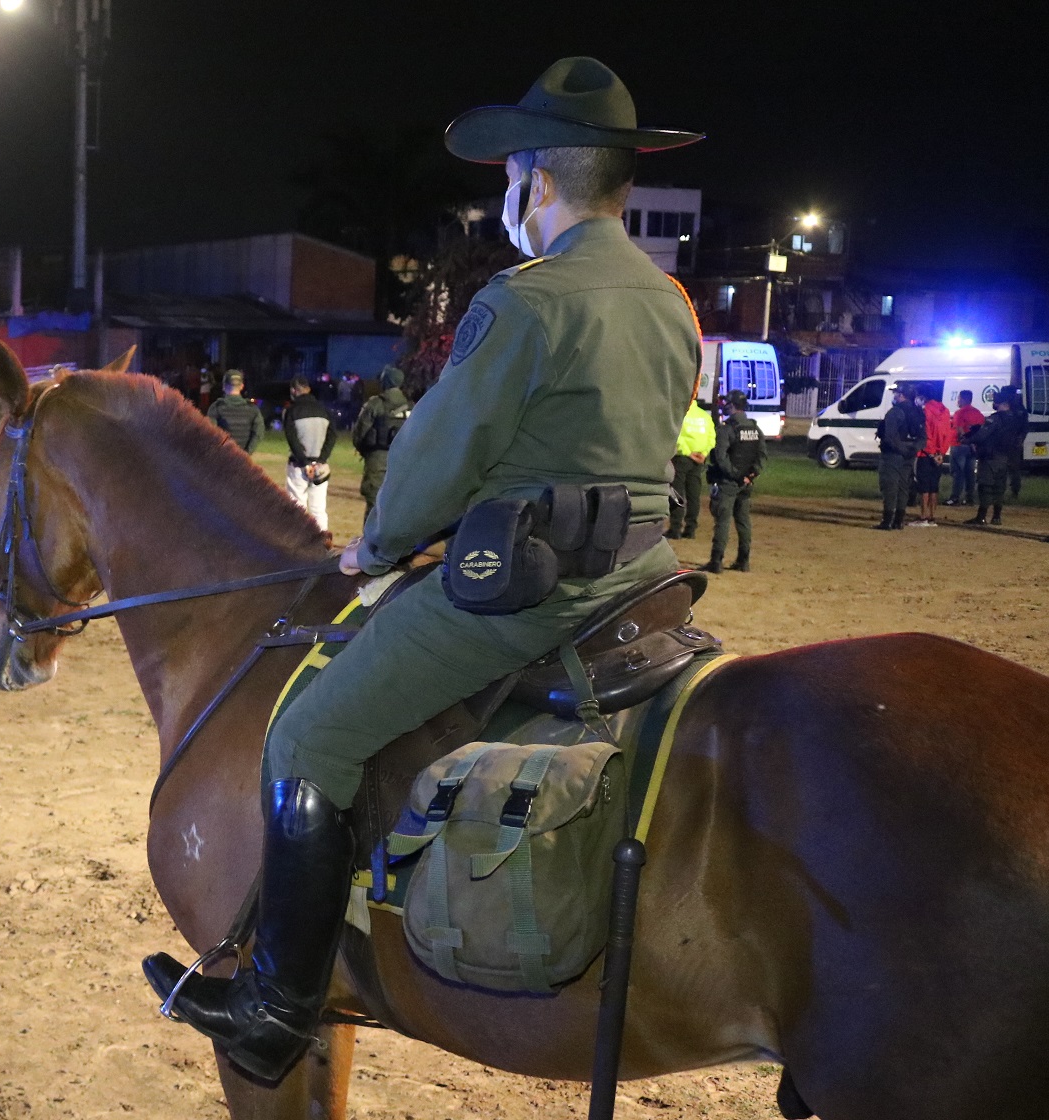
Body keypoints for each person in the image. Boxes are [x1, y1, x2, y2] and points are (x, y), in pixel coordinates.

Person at [142, 58, 704, 1084]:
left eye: (511, 179)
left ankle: (275, 1004)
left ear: (536, 181)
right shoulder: (670, 300)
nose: (510, 196)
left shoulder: (527, 300)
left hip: (531, 591)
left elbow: (445, 449)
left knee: (308, 733)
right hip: (644, 576)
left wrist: (384, 540)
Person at [702, 390, 764, 573]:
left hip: (728, 482)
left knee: (723, 521)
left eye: (726, 403)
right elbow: (761, 456)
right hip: (746, 483)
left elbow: (721, 458)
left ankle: (716, 561)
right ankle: (743, 561)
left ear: (732, 405)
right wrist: (750, 476)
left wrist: (736, 475)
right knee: (743, 521)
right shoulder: (755, 429)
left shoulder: (727, 429)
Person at [350, 367, 410, 515]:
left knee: (374, 509)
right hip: (404, 462)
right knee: (398, 507)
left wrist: (366, 452)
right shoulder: (412, 406)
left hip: (377, 460)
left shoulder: (375, 404)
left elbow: (359, 434)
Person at [280, 376, 336, 533]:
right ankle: (323, 542)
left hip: (299, 465)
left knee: (297, 506)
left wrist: (305, 462)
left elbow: (292, 440)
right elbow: (332, 436)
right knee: (318, 509)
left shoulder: (291, 411)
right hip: (320, 466)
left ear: (293, 390)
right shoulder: (324, 410)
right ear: (309, 389)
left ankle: (299, 542)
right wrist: (322, 460)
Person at [966, 389, 1027, 526]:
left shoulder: (995, 418)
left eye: (997, 401)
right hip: (1006, 457)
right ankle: (997, 517)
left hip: (990, 457)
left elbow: (982, 435)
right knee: (1000, 488)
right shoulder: (1016, 419)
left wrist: (968, 439)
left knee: (985, 486)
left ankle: (981, 517)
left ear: (1003, 403)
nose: (995, 403)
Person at [875, 383, 924, 530]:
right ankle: (898, 521)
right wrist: (912, 449)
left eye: (896, 393)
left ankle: (887, 521)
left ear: (902, 395)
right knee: (903, 486)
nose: (894, 395)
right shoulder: (918, 412)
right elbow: (923, 437)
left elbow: (890, 437)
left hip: (893, 454)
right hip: (909, 454)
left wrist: (901, 449)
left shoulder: (895, 412)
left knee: (890, 486)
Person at [668, 400, 715, 539]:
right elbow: (711, 437)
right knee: (694, 495)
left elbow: (675, 436)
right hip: (699, 459)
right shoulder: (704, 416)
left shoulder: (679, 413)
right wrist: (704, 453)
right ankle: (691, 529)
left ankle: (675, 528)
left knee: (677, 494)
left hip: (682, 458)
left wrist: (688, 452)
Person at [912, 385, 953, 526]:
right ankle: (932, 517)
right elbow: (947, 434)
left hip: (926, 454)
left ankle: (923, 517)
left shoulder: (925, 411)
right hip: (939, 455)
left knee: (924, 486)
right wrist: (941, 453)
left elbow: (926, 435)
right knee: (934, 486)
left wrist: (931, 453)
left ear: (923, 397)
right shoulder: (945, 411)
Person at [206, 371, 266, 453]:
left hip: (222, 456)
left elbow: (210, 433)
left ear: (224, 386)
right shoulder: (252, 409)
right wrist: (247, 452)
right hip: (243, 457)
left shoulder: (216, 407)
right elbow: (258, 433)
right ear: (242, 386)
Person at [945, 389, 984, 506]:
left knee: (958, 472)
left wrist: (966, 439)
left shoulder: (960, 413)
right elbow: (981, 429)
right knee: (970, 473)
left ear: (963, 399)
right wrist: (974, 444)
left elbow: (959, 429)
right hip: (972, 447)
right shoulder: (977, 413)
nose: (957, 401)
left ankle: (955, 497)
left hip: (959, 446)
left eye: (958, 398)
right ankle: (969, 498)